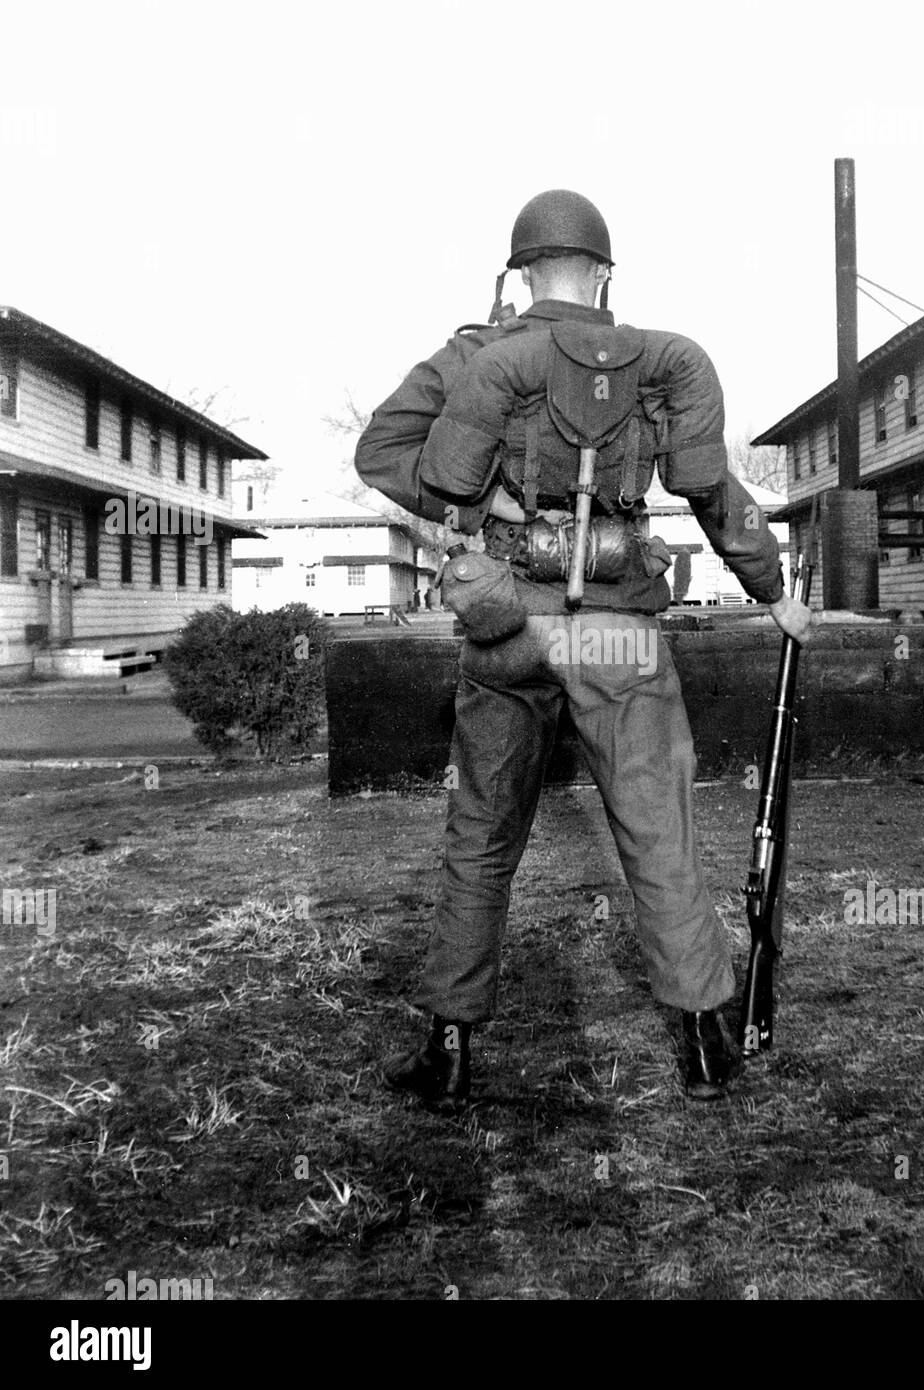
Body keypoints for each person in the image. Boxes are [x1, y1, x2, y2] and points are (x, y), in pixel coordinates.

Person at [355, 190, 812, 1109]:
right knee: (658, 828)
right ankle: (705, 1044)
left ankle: (449, 1051)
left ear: (520, 275)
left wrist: (479, 506)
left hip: (509, 623)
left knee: (481, 833)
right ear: (605, 273)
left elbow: (380, 451)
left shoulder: (476, 355)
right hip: (621, 632)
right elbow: (711, 486)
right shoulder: (652, 366)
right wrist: (772, 591)